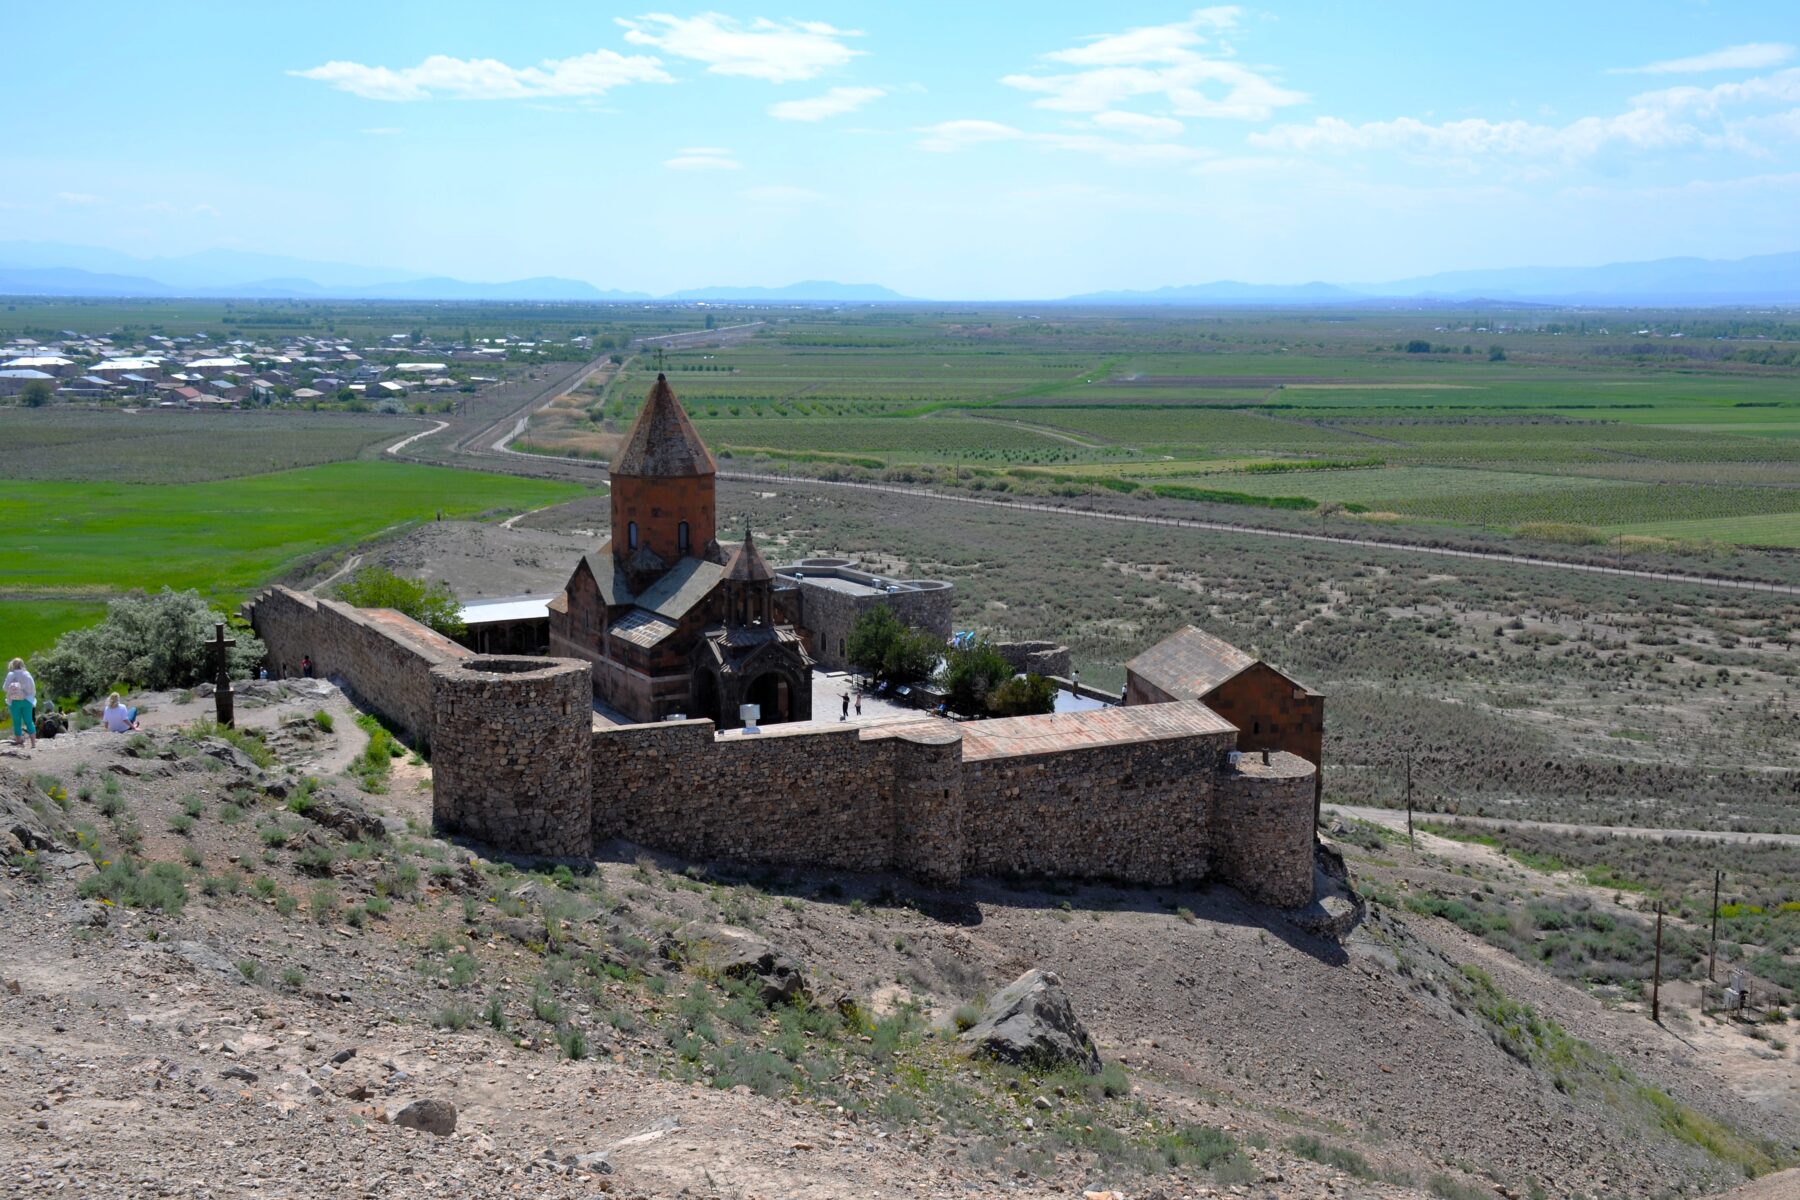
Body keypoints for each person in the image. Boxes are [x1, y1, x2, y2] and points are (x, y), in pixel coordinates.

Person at [5, 657, 36, 749]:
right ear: (22, 664)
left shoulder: (11, 674)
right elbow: (32, 688)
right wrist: (28, 695)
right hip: (27, 701)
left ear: (12, 665)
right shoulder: (27, 674)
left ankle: (18, 741)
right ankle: (33, 743)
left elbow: (5, 688)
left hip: (14, 701)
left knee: (16, 721)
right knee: (29, 721)